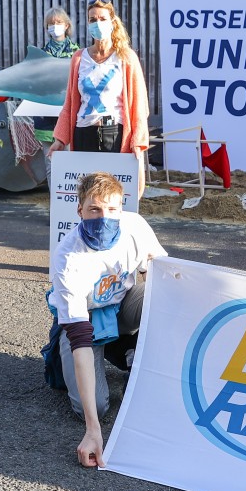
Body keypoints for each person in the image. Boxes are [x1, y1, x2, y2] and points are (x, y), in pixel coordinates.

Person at [48, 172, 167, 467]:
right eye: (95, 209)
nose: (105, 217)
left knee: (163, 295)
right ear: (80, 211)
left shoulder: (135, 226)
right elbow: (80, 340)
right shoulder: (67, 257)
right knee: (96, 407)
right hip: (85, 321)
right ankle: (110, 352)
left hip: (122, 307)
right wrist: (93, 431)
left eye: (112, 209)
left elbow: (165, 276)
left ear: (121, 208)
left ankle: (138, 360)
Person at [47, 0, 150, 192]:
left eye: (102, 18)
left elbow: (139, 104)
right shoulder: (79, 58)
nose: (97, 23)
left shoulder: (126, 57)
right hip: (84, 133)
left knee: (113, 192)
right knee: (88, 193)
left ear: (112, 21)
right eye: (92, 19)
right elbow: (70, 102)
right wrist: (60, 140)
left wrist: (138, 141)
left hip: (114, 133)